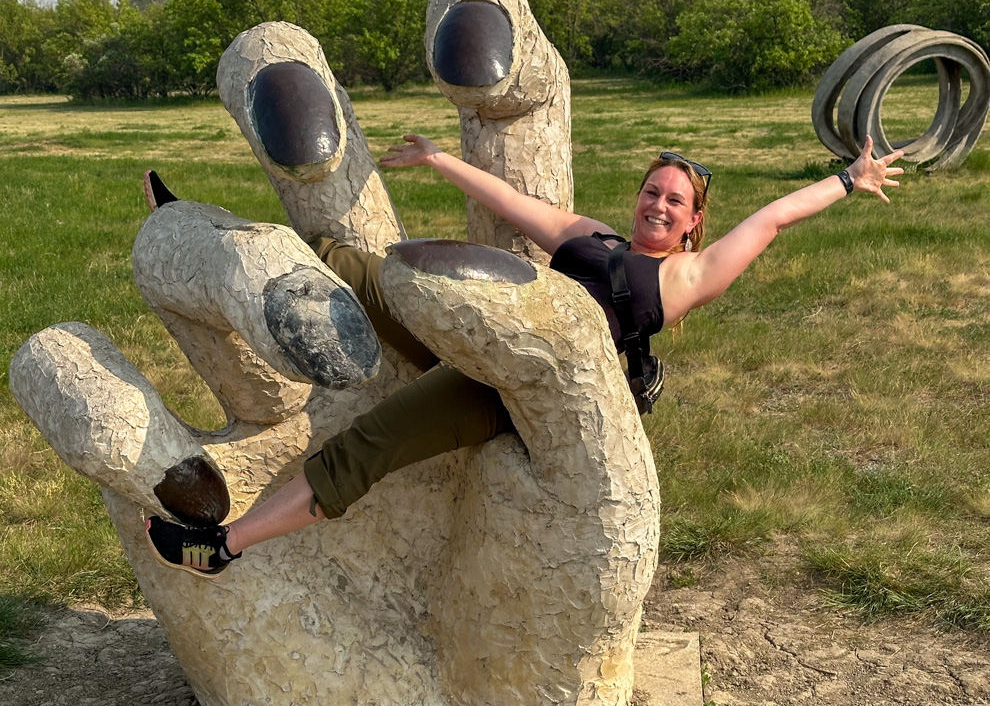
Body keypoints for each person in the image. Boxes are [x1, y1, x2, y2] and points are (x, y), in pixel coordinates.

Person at [145, 133, 904, 578]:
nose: (658, 204)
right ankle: (198, 225)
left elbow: (770, 220)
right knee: (358, 268)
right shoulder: (592, 236)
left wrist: (848, 179)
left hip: (506, 392)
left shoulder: (682, 278)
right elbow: (517, 206)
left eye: (675, 201)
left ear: (694, 224)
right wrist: (440, 158)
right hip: (474, 333)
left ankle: (221, 546)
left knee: (367, 447)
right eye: (652, 190)